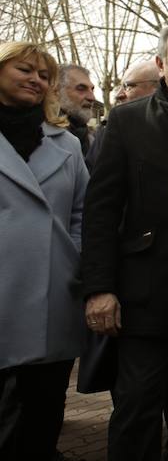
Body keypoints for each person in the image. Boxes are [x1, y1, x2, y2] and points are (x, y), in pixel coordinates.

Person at [81, 23, 168, 461]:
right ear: (161, 64)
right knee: (137, 409)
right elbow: (100, 211)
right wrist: (100, 288)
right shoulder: (126, 121)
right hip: (144, 297)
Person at [0, 42, 89, 460]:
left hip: (52, 293)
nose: (36, 80)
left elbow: (83, 212)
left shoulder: (67, 143)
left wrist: (71, 258)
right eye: (25, 70)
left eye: (43, 75)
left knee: (43, 413)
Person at [86, 60, 160, 171]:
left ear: (158, 89)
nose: (118, 95)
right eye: (119, 87)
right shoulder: (106, 134)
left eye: (128, 86)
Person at [58, 63, 96, 154]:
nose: (92, 98)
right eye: (81, 88)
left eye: (92, 89)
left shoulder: (93, 141)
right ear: (57, 92)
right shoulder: (39, 137)